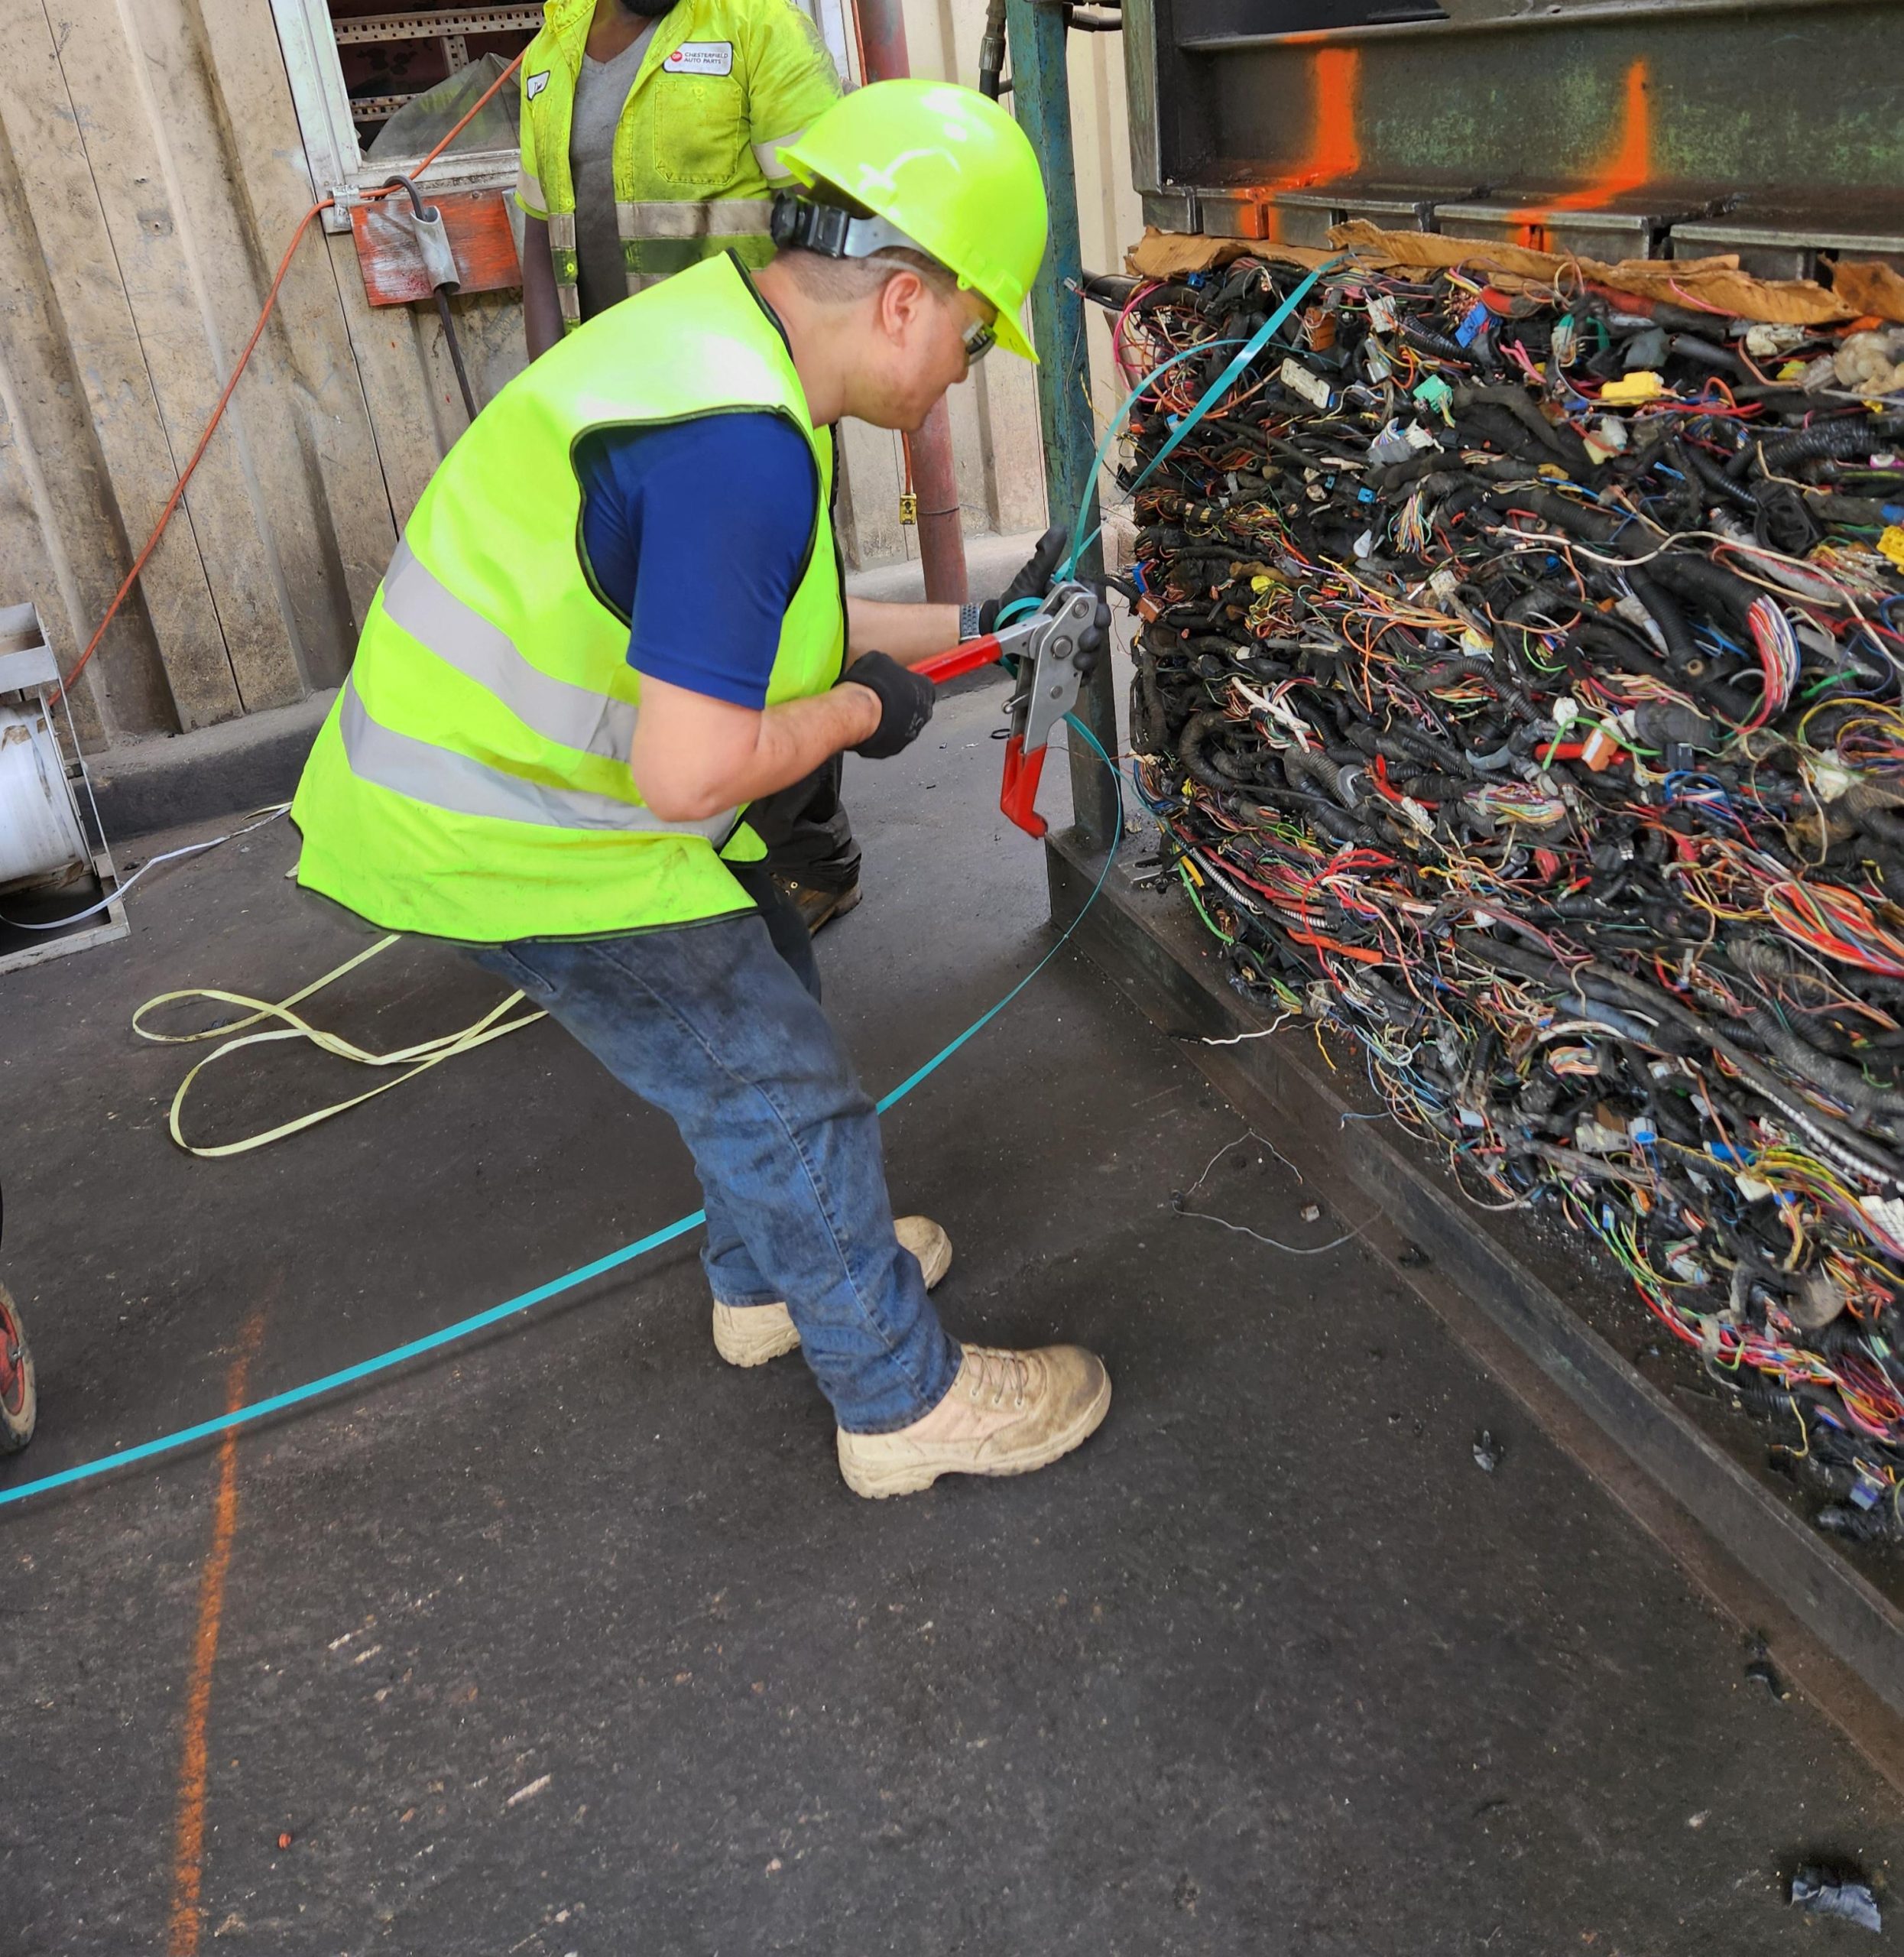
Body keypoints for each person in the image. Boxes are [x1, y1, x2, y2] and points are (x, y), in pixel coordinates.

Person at [290, 80, 1114, 1498]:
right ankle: (897, 1400)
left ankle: (768, 1282)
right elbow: (693, 770)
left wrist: (1002, 609)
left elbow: (754, 632)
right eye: (975, 341)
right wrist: (863, 710)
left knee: (766, 985)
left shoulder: (714, 352)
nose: (959, 375)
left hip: (526, 791)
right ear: (907, 300)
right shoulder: (735, 447)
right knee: (779, 1091)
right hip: (528, 831)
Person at [517, 0, 863, 933]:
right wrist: (547, 398)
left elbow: (831, 218)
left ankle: (811, 857)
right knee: (662, 634)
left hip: (736, 403)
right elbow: (541, 249)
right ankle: (701, 832)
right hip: (616, 406)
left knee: (778, 634)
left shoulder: (759, 27)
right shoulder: (548, 56)